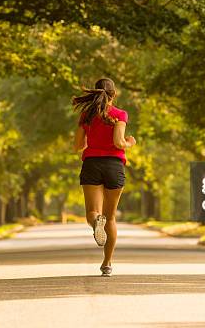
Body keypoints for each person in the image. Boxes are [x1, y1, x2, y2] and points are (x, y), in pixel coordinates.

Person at [72, 78, 137, 277]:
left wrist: (91, 143)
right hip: (114, 166)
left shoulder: (87, 115)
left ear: (95, 93)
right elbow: (118, 143)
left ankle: (95, 223)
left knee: (93, 212)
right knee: (111, 218)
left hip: (92, 164)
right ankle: (107, 263)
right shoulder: (119, 114)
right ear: (114, 94)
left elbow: (77, 146)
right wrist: (129, 143)